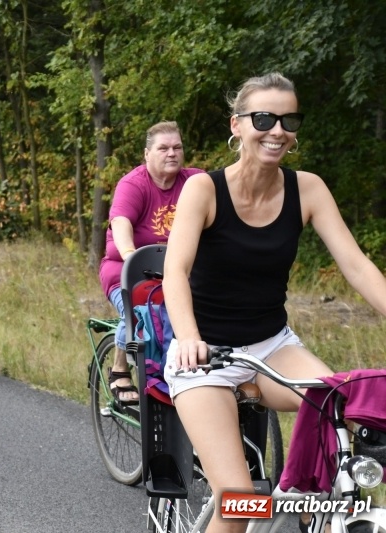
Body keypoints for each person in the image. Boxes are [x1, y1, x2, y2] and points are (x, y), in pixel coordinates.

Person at [162, 72, 386, 533]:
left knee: (336, 407)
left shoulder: (308, 189)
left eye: (289, 119)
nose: (278, 129)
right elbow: (174, 271)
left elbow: (358, 266)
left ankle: (305, 510)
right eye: (264, 117)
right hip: (207, 356)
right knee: (239, 501)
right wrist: (188, 338)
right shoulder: (203, 189)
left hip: (272, 346)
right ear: (238, 125)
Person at [98, 121, 202, 403]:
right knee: (142, 307)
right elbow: (120, 223)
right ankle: (120, 369)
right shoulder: (134, 184)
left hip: (178, 270)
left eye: (177, 147)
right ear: (147, 154)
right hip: (129, 270)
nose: (172, 153)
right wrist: (132, 255)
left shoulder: (195, 182)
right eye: (163, 148)